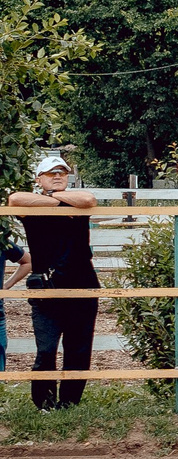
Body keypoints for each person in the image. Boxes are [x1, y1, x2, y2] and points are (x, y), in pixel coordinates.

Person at [7, 153, 99, 409]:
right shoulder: (33, 208)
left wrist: (56, 197)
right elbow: (15, 199)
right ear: (39, 179)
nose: (57, 176)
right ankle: (44, 403)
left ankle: (69, 403)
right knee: (46, 349)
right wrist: (53, 200)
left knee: (78, 349)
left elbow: (88, 199)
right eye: (51, 173)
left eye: (62, 172)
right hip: (46, 286)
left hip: (82, 283)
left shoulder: (78, 203)